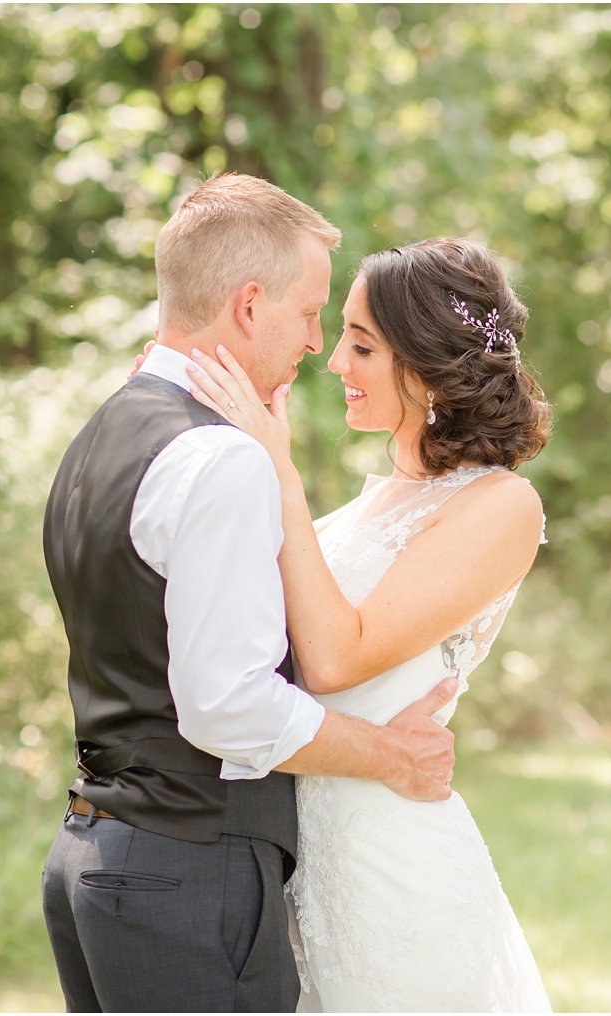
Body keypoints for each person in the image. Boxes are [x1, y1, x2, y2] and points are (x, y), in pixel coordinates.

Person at [40, 173, 459, 1013]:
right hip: (186, 875)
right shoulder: (221, 460)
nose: (315, 342)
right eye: (309, 313)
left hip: (92, 861)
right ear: (247, 305)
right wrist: (390, 755)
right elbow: (226, 705)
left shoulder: (105, 431)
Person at [182, 236, 554, 1011]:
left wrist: (278, 473)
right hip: (297, 857)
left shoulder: (500, 506)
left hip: (391, 866)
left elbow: (334, 659)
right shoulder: (365, 506)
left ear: (428, 365)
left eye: (361, 345)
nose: (334, 364)